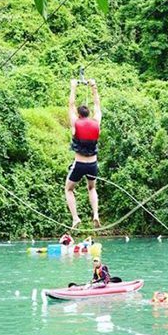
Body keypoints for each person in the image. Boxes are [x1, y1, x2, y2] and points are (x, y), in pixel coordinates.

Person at [65, 78, 102, 229]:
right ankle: (96, 214)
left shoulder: (75, 123)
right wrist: (94, 86)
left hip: (79, 164)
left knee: (68, 189)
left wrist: (73, 86)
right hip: (92, 164)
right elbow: (97, 105)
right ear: (88, 114)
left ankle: (75, 218)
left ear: (79, 114)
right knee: (92, 188)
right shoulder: (96, 122)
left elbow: (71, 104)